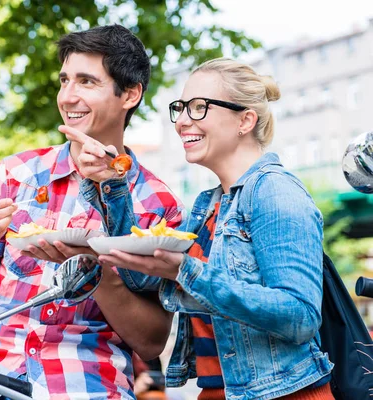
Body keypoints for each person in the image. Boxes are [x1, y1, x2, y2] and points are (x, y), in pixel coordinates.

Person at [0, 25, 184, 400]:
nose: (68, 96)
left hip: (83, 385)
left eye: (86, 82)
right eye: (65, 80)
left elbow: (151, 342)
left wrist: (98, 275)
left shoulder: (156, 204)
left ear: (129, 94)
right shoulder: (16, 175)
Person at [71, 58, 334, 399]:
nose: (181, 121)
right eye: (180, 108)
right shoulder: (209, 204)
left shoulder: (275, 192)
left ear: (245, 120)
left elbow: (299, 316)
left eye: (198, 108)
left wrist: (188, 271)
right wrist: (114, 185)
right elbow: (140, 278)